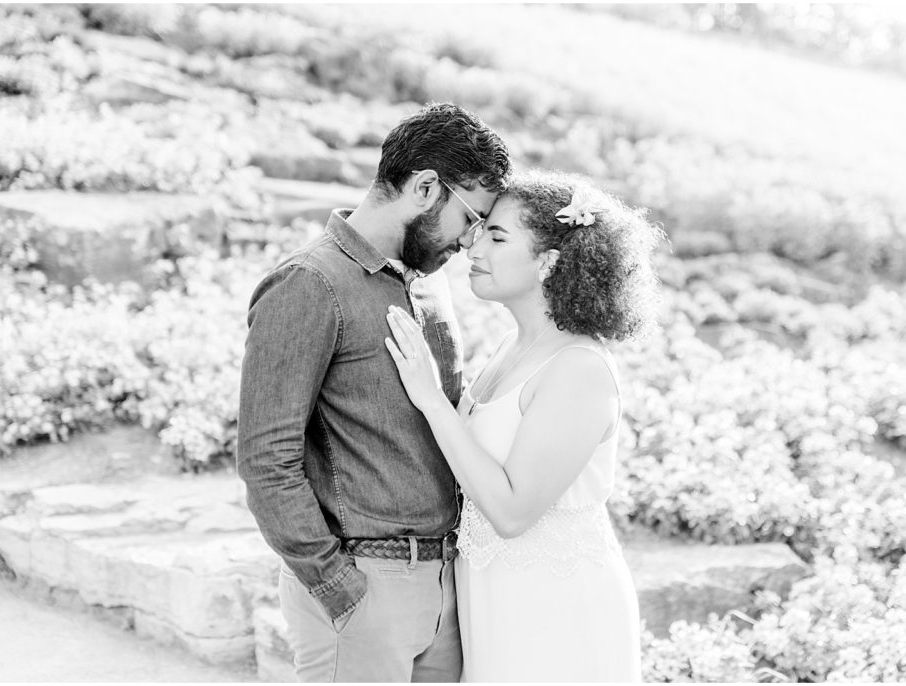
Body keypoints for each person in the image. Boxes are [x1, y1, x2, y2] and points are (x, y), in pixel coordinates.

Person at [236, 102, 511, 682]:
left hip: (445, 586)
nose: (470, 242)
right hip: (363, 588)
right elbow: (266, 458)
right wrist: (337, 585)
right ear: (425, 187)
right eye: (470, 218)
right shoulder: (308, 284)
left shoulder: (427, 290)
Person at [385, 169, 663, 681]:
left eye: (496, 235)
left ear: (548, 263)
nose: (474, 246)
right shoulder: (512, 347)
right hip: (494, 599)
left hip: (556, 607)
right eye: (480, 230)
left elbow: (513, 513)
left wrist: (430, 399)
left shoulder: (578, 368)